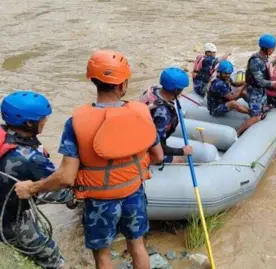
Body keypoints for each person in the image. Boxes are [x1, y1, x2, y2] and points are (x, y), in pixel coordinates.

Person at [14, 49, 164, 269]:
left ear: (93, 81)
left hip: (100, 201)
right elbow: (158, 157)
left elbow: (66, 178)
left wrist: (33, 188)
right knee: (137, 245)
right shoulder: (142, 113)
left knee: (103, 255)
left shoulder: (75, 122)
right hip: (134, 192)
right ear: (123, 84)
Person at [0, 90, 73, 269]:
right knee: (50, 254)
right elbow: (59, 186)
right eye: (43, 118)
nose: (46, 121)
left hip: (4, 196)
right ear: (29, 123)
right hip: (9, 219)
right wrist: (75, 196)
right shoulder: (31, 158)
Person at [140, 67, 193, 164]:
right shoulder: (163, 114)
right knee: (180, 161)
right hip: (147, 147)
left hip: (141, 133)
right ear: (177, 90)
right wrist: (182, 151)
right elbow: (158, 145)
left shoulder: (153, 90)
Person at [236, 34, 276, 136]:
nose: (273, 50)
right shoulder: (255, 61)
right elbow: (260, 81)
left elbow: (266, 67)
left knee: (263, 108)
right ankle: (238, 133)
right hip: (254, 91)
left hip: (260, 91)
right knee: (256, 117)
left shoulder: (263, 58)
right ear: (265, 48)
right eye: (272, 48)